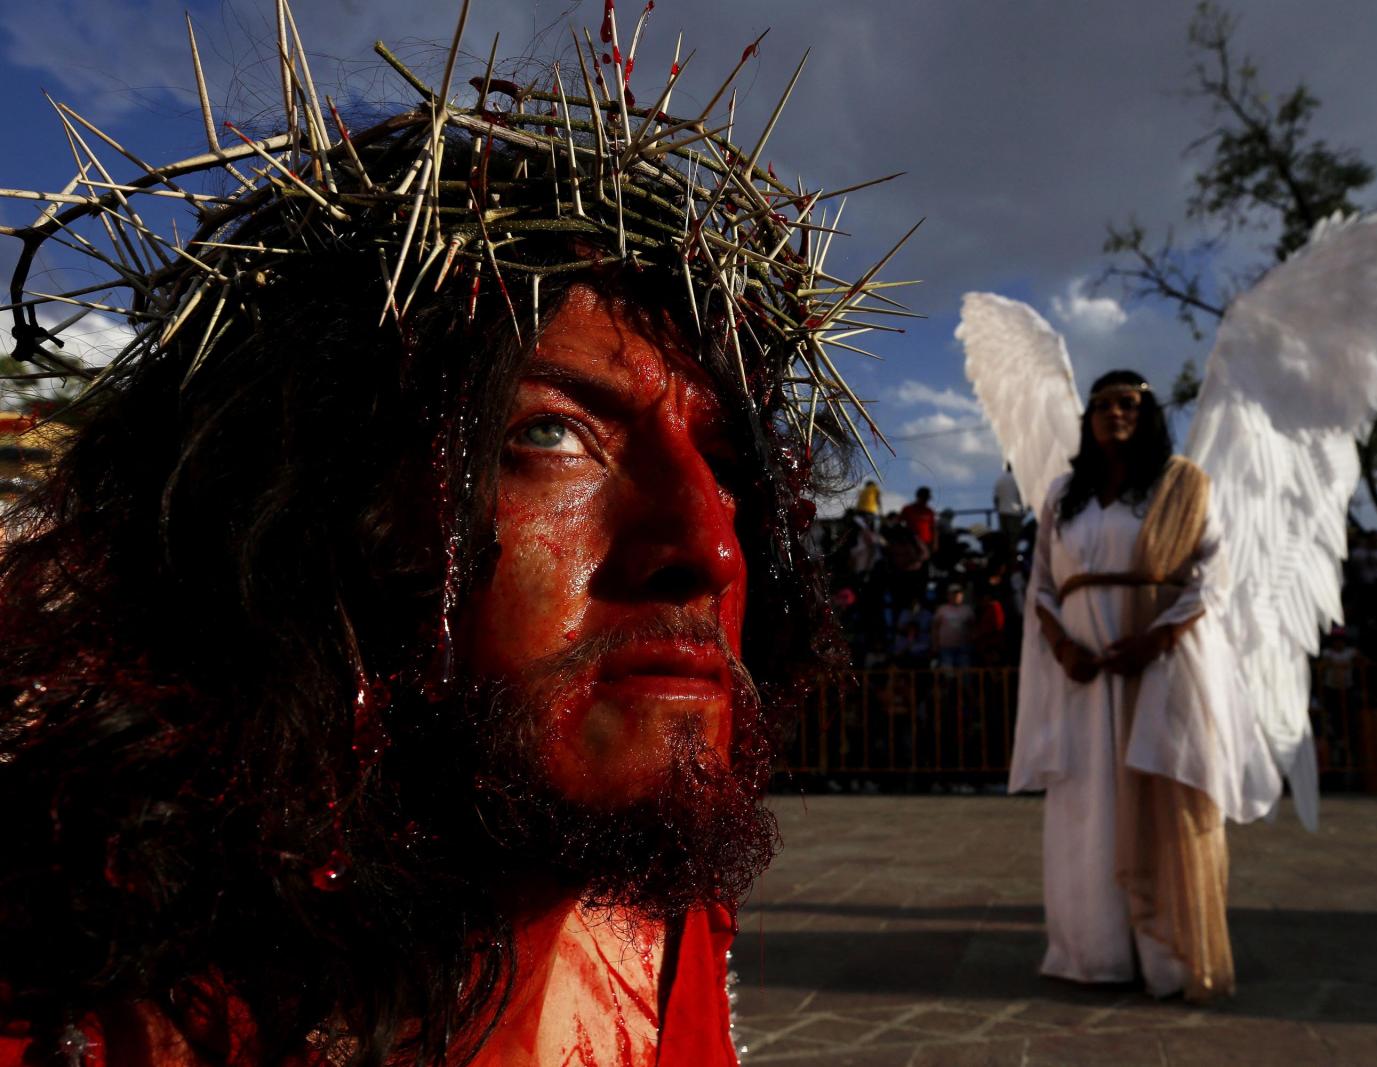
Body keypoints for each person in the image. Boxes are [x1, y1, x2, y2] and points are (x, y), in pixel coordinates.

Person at [0, 10, 907, 1066]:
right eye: (550, 434)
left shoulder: (657, 893)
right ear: (306, 509)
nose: (705, 547)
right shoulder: (89, 1008)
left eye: (728, 469)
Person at [1010, 370, 1278, 1002]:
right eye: (1101, 405)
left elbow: (1211, 574)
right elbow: (1042, 583)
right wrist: (1061, 645)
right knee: (1085, 811)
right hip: (1080, 675)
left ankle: (1164, 957)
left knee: (1158, 799)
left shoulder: (1181, 485)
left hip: (1158, 670)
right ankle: (1089, 953)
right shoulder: (1063, 493)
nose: (1113, 414)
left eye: (1126, 403)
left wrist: (1155, 640)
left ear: (1148, 412)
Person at [931, 585, 977, 670]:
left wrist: (972, 641)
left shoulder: (967, 609)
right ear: (948, 595)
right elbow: (935, 628)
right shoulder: (942, 609)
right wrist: (935, 645)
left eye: (959, 594)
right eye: (953, 594)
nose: (956, 596)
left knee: (965, 673)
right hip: (946, 647)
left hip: (964, 647)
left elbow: (973, 628)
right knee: (948, 674)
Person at [994, 462, 1026, 551]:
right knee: (1015, 540)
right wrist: (1023, 511)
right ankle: (1014, 560)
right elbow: (1021, 497)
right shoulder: (1017, 479)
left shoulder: (1000, 479)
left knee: (1004, 540)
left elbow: (996, 498)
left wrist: (999, 509)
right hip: (1014, 513)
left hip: (1002, 512)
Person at [900, 486, 938, 552]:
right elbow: (899, 522)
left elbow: (934, 529)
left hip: (927, 543)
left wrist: (935, 543)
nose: (926, 500)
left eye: (927, 498)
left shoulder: (929, 511)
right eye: (924, 498)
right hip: (911, 543)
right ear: (918, 497)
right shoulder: (908, 509)